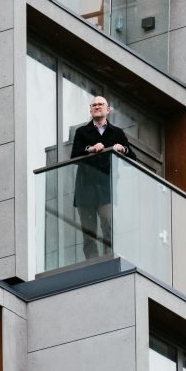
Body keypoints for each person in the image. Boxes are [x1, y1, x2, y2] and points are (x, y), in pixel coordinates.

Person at [70, 96, 137, 260]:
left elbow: (133, 159)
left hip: (106, 187)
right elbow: (74, 156)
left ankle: (109, 259)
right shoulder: (81, 132)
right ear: (90, 110)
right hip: (85, 188)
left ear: (108, 110)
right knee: (88, 231)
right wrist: (90, 149)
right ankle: (92, 262)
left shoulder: (117, 132)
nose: (97, 107)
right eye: (94, 105)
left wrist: (123, 149)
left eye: (100, 104)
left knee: (107, 223)